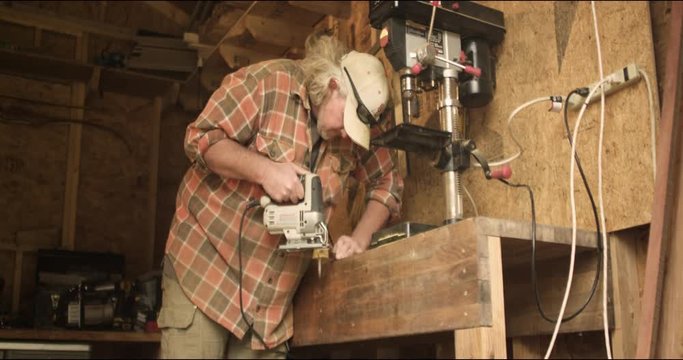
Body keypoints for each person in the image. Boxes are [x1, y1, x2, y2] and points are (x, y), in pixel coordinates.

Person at [158, 32, 404, 359]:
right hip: (207, 275)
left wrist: (359, 239)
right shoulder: (270, 82)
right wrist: (265, 170)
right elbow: (200, 140)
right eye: (346, 121)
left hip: (270, 309)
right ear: (332, 87)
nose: (348, 133)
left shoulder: (356, 126)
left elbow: (387, 180)